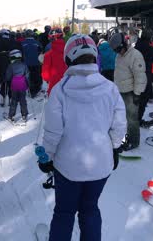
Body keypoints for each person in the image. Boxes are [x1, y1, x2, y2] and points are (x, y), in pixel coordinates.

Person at [39, 34, 126, 241]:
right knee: (90, 210)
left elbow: (53, 132)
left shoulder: (60, 91)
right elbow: (119, 126)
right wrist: (114, 149)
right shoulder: (110, 88)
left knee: (64, 212)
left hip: (67, 167)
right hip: (100, 165)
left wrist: (47, 157)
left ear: (68, 58)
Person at [109, 32, 147, 151]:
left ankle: (134, 141)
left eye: (119, 49)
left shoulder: (135, 55)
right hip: (120, 91)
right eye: (116, 50)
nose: (118, 52)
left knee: (132, 119)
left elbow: (140, 76)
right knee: (122, 118)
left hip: (130, 93)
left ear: (125, 44)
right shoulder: (119, 56)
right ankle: (127, 136)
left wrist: (137, 93)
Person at [135, 29, 153, 126]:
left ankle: (134, 119)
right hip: (146, 77)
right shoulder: (150, 49)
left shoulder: (135, 47)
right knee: (143, 101)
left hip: (135, 77)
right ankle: (138, 119)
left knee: (135, 100)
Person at [5, 49, 29, 122]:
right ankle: (24, 115)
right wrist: (28, 84)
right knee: (23, 100)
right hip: (22, 85)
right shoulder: (24, 65)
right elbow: (27, 75)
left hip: (14, 85)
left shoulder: (11, 66)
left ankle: (11, 115)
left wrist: (6, 79)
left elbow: (8, 76)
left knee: (14, 100)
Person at [42, 29, 67, 96]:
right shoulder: (68, 52)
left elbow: (45, 76)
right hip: (68, 85)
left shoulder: (48, 55)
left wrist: (48, 79)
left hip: (54, 86)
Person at [21, 29, 43, 98]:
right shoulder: (37, 42)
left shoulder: (22, 43)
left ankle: (29, 89)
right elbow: (41, 52)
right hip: (36, 63)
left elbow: (21, 53)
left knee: (28, 77)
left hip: (26, 63)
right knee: (35, 76)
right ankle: (35, 91)